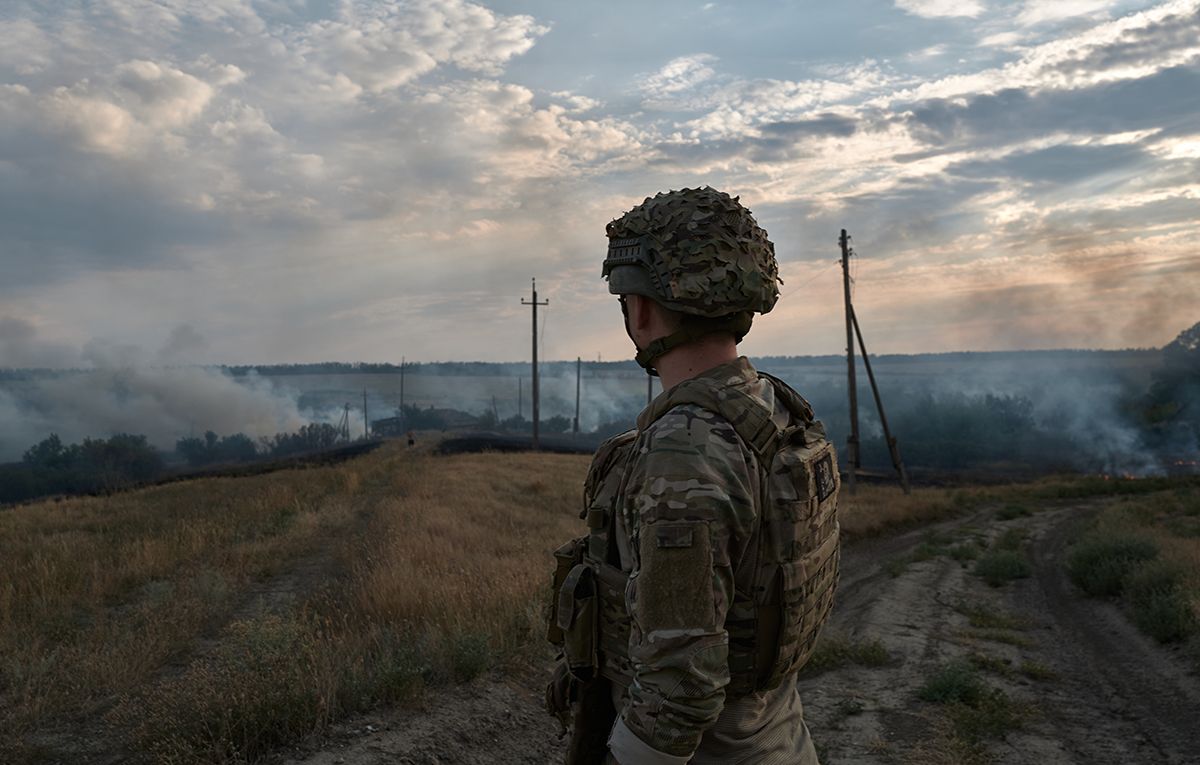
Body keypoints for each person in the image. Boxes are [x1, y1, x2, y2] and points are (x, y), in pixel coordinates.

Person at [546, 187, 842, 764]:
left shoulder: (685, 451)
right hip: (780, 739)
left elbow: (679, 688)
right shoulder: (775, 410)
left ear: (643, 309)